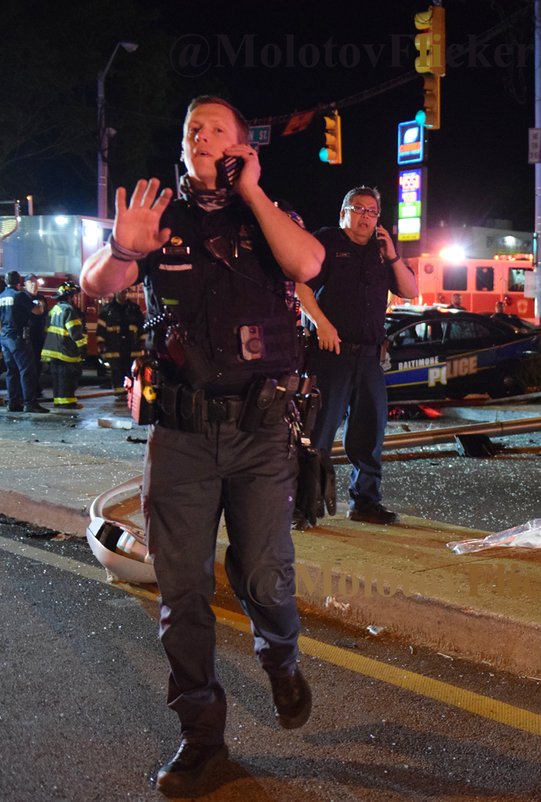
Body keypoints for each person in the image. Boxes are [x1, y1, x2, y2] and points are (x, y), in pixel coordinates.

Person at [80, 95, 325, 794]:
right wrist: (125, 247)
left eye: (218, 129)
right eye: (193, 130)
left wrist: (252, 193)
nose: (202, 136)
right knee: (181, 594)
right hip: (181, 436)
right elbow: (97, 283)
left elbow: (306, 265)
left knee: (262, 577)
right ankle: (202, 739)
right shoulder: (158, 221)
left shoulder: (270, 216)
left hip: (260, 434)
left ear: (244, 147)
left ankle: (281, 660)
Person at [295, 185, 418, 526]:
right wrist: (320, 323)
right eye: (359, 209)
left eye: (372, 212)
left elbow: (410, 291)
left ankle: (365, 502)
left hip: (369, 358)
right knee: (318, 432)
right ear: (344, 212)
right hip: (331, 353)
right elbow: (300, 284)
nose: (366, 216)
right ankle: (303, 507)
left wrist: (392, 253)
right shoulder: (328, 242)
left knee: (370, 432)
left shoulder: (381, 252)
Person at [0, 271, 48, 413]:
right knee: (27, 370)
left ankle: (13, 402)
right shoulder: (19, 295)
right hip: (19, 338)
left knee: (11, 371)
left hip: (5, 338)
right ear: (19, 282)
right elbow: (37, 311)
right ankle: (29, 403)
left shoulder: (1, 296)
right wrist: (40, 303)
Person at [40, 280, 88, 409]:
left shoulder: (53, 310)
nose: (75, 298)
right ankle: (67, 404)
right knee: (68, 379)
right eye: (73, 296)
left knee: (57, 379)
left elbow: (46, 330)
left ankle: (59, 401)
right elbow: (75, 332)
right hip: (65, 350)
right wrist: (82, 347)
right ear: (69, 296)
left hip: (52, 351)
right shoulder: (69, 310)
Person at [97, 288, 145, 396]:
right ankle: (119, 394)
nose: (124, 294)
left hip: (131, 348)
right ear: (115, 292)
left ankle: (131, 394)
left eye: (125, 292)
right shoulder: (107, 311)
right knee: (117, 371)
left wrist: (142, 342)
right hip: (114, 347)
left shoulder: (134, 309)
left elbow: (142, 328)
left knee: (132, 371)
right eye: (121, 292)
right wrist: (101, 344)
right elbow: (101, 330)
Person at [24, 275, 48, 402]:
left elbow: (44, 313)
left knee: (38, 364)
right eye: (30, 283)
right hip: (27, 336)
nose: (34, 285)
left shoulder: (41, 298)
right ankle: (29, 391)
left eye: (35, 283)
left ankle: (36, 388)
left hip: (38, 336)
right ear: (25, 285)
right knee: (28, 365)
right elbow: (37, 311)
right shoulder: (23, 297)